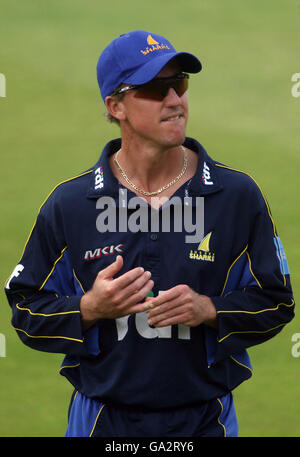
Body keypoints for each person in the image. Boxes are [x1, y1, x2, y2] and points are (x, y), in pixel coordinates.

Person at [5, 30, 295, 438]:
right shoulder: (70, 205)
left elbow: (278, 303)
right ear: (115, 106)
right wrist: (89, 308)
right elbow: (25, 311)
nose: (175, 100)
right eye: (156, 88)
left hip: (205, 421)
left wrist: (210, 310)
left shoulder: (237, 196)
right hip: (102, 422)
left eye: (180, 84)